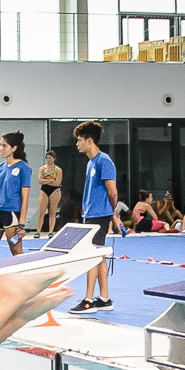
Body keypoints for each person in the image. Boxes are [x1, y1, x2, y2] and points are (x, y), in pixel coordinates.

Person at [68, 121, 121, 315]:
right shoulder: (91, 162)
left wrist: (113, 216)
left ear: (89, 140)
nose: (77, 144)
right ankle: (104, 298)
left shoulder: (103, 161)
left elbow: (112, 192)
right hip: (91, 215)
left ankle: (88, 300)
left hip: (99, 217)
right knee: (98, 257)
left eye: (79, 140)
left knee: (91, 256)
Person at [0, 132, 31, 280]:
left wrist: (21, 224)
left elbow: (25, 197)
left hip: (12, 215)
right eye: (0, 145)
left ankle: (24, 287)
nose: (0, 148)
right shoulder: (0, 168)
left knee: (16, 252)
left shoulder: (24, 168)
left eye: (4, 145)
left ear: (14, 148)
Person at [35, 151, 62, 238]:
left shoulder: (58, 170)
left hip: (55, 191)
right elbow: (39, 180)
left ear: (54, 159)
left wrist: (45, 181)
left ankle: (51, 231)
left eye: (50, 158)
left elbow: (57, 183)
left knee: (52, 211)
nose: (48, 160)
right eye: (47, 158)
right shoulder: (42, 169)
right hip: (44, 190)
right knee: (41, 212)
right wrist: (50, 180)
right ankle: (38, 231)